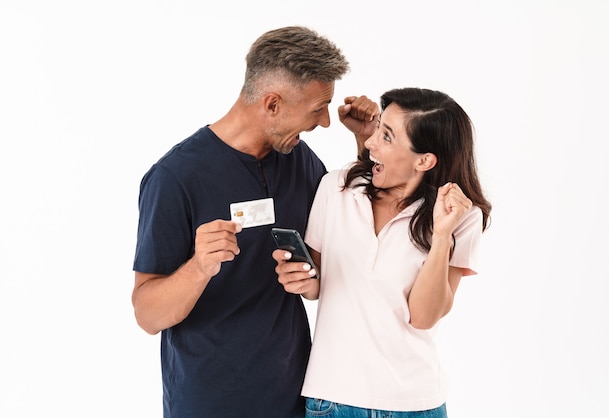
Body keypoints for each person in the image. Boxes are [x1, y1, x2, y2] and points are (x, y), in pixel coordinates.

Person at [131, 26, 378, 418]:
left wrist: (367, 143)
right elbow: (147, 314)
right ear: (273, 104)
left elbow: (360, 230)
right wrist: (199, 267)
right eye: (318, 108)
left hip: (300, 397)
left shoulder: (300, 160)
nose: (327, 122)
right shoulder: (175, 177)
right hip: (210, 403)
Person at [273, 87, 492, 417]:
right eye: (378, 130)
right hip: (333, 400)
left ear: (425, 160)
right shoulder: (336, 189)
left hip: (415, 404)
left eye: (386, 136)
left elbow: (423, 316)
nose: (372, 142)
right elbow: (319, 284)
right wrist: (301, 281)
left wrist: (443, 233)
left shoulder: (461, 216)